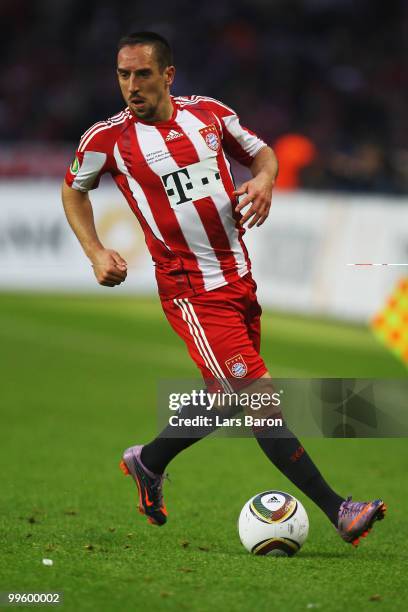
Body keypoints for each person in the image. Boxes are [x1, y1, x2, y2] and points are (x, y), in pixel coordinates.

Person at [62, 31, 386, 546]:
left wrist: (264, 181)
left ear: (168, 75)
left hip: (238, 278)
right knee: (260, 401)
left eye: (142, 74)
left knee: (227, 397)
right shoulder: (106, 140)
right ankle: (339, 510)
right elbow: (73, 189)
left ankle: (149, 460)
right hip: (192, 293)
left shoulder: (209, 115)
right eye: (123, 75)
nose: (131, 86)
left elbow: (263, 155)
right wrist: (96, 251)